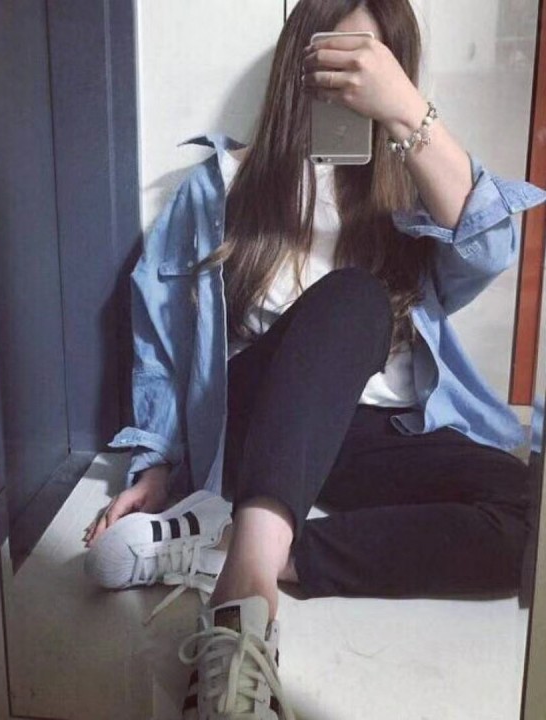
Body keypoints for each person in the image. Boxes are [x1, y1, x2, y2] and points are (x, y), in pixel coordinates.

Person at [83, 1, 546, 718]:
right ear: (299, 59)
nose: (351, 80)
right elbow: (160, 334)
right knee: (355, 297)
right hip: (259, 417)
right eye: (338, 57)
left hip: (367, 433)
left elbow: (489, 247)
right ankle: (244, 600)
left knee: (531, 519)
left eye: (372, 63)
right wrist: (157, 462)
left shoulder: (411, 198)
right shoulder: (221, 186)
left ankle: (244, 547)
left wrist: (407, 113)